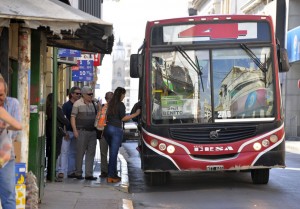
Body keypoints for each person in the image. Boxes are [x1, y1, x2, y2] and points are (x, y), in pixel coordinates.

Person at [103, 87, 141, 183]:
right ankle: (111, 176)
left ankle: (113, 174)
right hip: (116, 129)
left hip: (107, 129)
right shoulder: (120, 104)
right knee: (113, 154)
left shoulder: (110, 104)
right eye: (123, 94)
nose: (124, 96)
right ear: (121, 94)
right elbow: (123, 118)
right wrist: (135, 114)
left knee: (112, 153)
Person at [0, 76, 22, 209]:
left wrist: (4, 126)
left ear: (6, 92)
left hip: (5, 154)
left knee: (8, 194)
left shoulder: (12, 104)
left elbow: (17, 128)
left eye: (1, 94)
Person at [71, 86, 97, 180]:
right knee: (80, 153)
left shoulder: (94, 103)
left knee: (91, 153)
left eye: (92, 94)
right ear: (83, 94)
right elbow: (73, 117)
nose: (91, 96)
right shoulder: (77, 104)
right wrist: (75, 130)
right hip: (81, 131)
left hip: (92, 132)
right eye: (89, 94)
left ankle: (89, 174)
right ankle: (78, 173)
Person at [45, 93, 70, 182]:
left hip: (49, 133)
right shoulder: (56, 109)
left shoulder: (47, 109)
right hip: (57, 134)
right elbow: (64, 120)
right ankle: (51, 175)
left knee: (51, 154)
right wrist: (67, 120)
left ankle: (49, 174)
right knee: (55, 154)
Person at [60, 87, 81, 178]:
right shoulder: (66, 106)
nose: (79, 95)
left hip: (76, 131)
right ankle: (62, 171)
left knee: (73, 152)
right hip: (68, 131)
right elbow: (63, 119)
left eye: (80, 94)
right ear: (72, 94)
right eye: (77, 93)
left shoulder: (80, 105)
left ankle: (71, 171)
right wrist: (65, 132)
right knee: (64, 152)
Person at [99, 91, 113, 178]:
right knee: (103, 153)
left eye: (111, 98)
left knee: (113, 153)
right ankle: (104, 171)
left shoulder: (117, 107)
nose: (110, 100)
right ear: (106, 99)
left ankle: (112, 171)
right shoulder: (102, 107)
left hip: (113, 134)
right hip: (103, 133)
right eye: (108, 98)